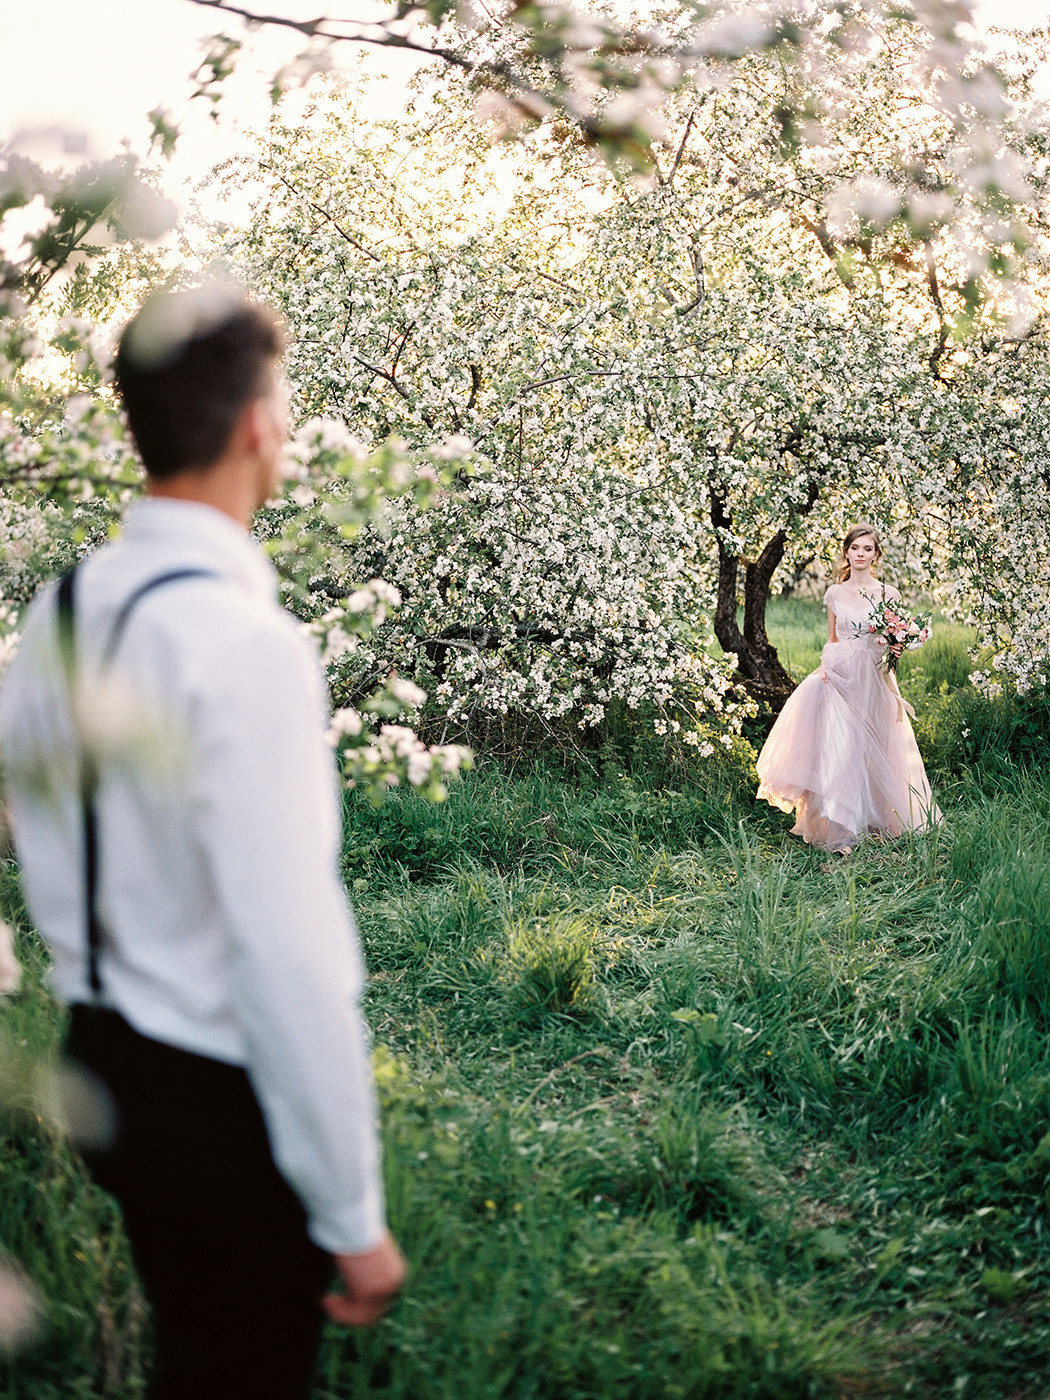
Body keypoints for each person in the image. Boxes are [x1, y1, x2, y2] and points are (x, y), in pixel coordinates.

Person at [0, 286, 406, 1400]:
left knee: (195, 1337)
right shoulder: (245, 643)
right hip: (211, 1089)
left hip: (99, 1054)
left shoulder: (64, 608)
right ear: (259, 426)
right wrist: (354, 1216)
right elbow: (288, 960)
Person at [756, 522, 940, 855]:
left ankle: (876, 820)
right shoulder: (835, 593)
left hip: (873, 676)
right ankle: (841, 831)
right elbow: (833, 638)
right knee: (840, 748)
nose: (861, 554)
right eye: (855, 548)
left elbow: (890, 638)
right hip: (838, 675)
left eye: (867, 549)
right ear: (847, 552)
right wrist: (827, 668)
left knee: (874, 747)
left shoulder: (888, 594)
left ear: (876, 554)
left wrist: (896, 648)